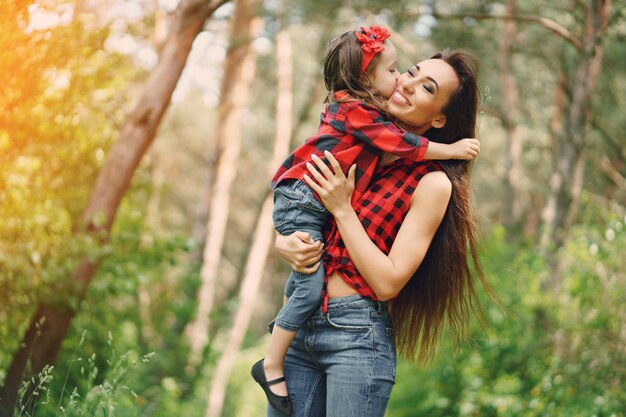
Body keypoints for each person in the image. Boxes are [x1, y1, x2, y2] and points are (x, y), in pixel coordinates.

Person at [251, 26, 480, 415]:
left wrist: (342, 209)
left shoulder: (433, 183)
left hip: (356, 336)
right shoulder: (353, 142)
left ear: (439, 120)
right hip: (300, 324)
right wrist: (283, 242)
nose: (407, 85)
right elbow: (302, 208)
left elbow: (388, 281)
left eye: (427, 88)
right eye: (410, 71)